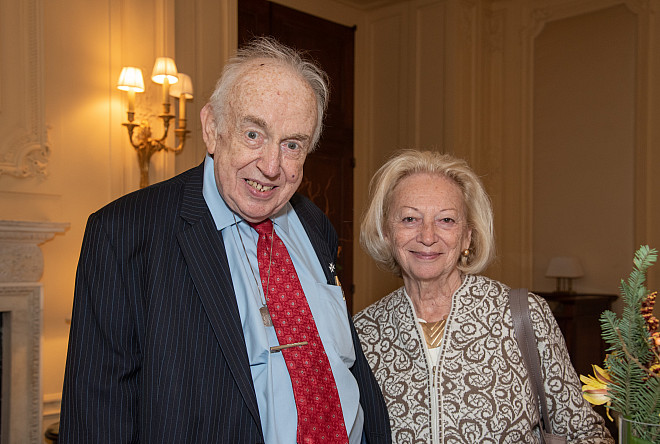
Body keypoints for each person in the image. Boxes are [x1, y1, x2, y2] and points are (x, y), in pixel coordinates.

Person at [60, 37, 391, 444]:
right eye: (254, 134)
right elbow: (97, 411)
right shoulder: (125, 233)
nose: (271, 167)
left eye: (292, 145)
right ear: (212, 129)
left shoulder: (313, 223)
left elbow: (341, 362)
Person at [353, 150, 613, 443]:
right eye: (410, 219)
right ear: (387, 232)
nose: (427, 236)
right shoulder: (362, 332)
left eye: (447, 220)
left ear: (467, 237)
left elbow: (586, 433)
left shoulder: (524, 315)